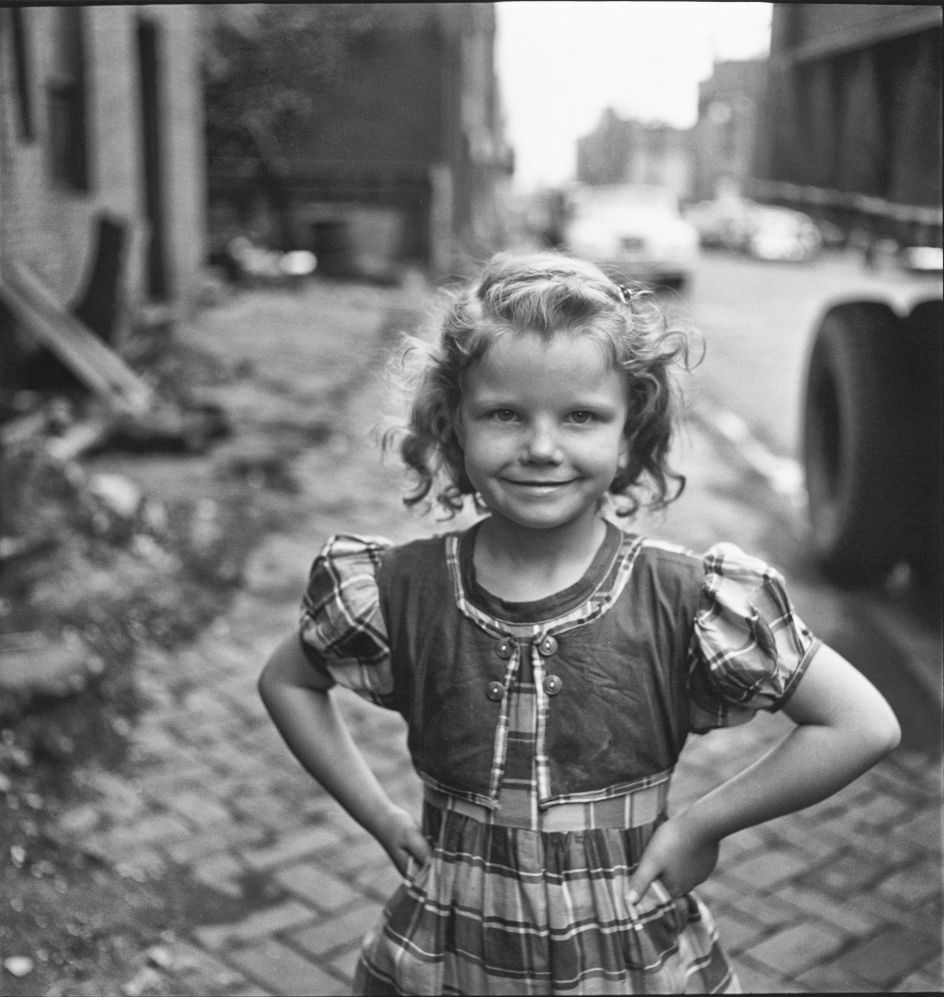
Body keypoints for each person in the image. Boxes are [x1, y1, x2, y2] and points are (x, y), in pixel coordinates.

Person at [259, 252, 900, 995]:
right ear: (455, 424)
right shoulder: (399, 589)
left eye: (581, 416)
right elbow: (287, 681)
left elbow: (862, 724)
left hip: (623, 961)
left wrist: (703, 824)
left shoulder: (687, 599)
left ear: (629, 434)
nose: (541, 447)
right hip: (451, 959)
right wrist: (378, 814)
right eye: (504, 413)